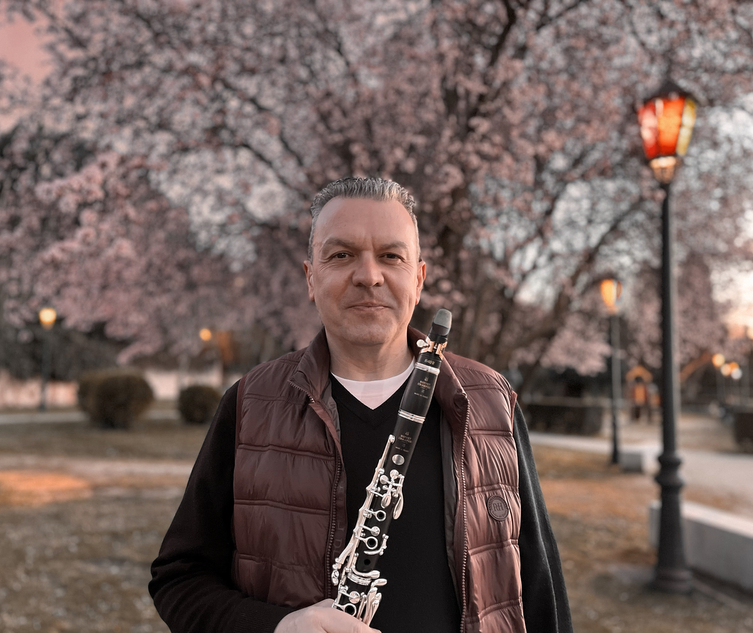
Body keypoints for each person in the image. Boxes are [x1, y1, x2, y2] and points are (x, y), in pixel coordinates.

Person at [149, 177, 573, 633]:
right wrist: (277, 628)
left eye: (391, 256)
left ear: (419, 278)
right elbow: (179, 579)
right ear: (311, 278)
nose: (369, 276)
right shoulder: (251, 403)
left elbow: (541, 593)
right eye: (341, 255)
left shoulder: (491, 401)